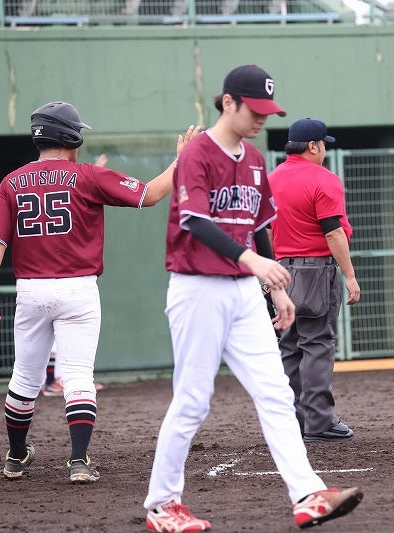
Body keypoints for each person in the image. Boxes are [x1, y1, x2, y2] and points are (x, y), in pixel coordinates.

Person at [143, 65, 363, 532]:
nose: (263, 118)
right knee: (193, 400)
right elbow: (195, 221)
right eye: (255, 109)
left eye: (269, 111)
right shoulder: (198, 154)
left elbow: (261, 225)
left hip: (243, 288)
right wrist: (255, 263)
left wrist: (277, 287)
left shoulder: (256, 159)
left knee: (276, 392)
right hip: (197, 286)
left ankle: (307, 495)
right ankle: (162, 505)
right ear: (228, 103)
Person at [0, 101, 199, 482]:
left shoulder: (11, 182)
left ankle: (16, 457)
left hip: (31, 290)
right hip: (78, 289)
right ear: (70, 137)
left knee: (24, 378)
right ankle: (78, 462)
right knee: (78, 376)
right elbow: (150, 194)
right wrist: (180, 161)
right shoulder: (86, 175)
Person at [268, 118, 361, 444]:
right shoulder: (324, 179)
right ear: (312, 146)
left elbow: (267, 231)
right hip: (316, 270)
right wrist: (349, 275)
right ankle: (320, 422)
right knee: (317, 343)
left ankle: (290, 422)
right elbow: (333, 232)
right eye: (323, 144)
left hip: (281, 271)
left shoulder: (271, 179)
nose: (324, 150)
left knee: (289, 346)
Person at [41, 154, 109, 398]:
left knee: (58, 341)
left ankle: (56, 381)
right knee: (57, 341)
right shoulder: (70, 183)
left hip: (38, 278)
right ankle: (53, 381)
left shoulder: (29, 183)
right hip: (62, 277)